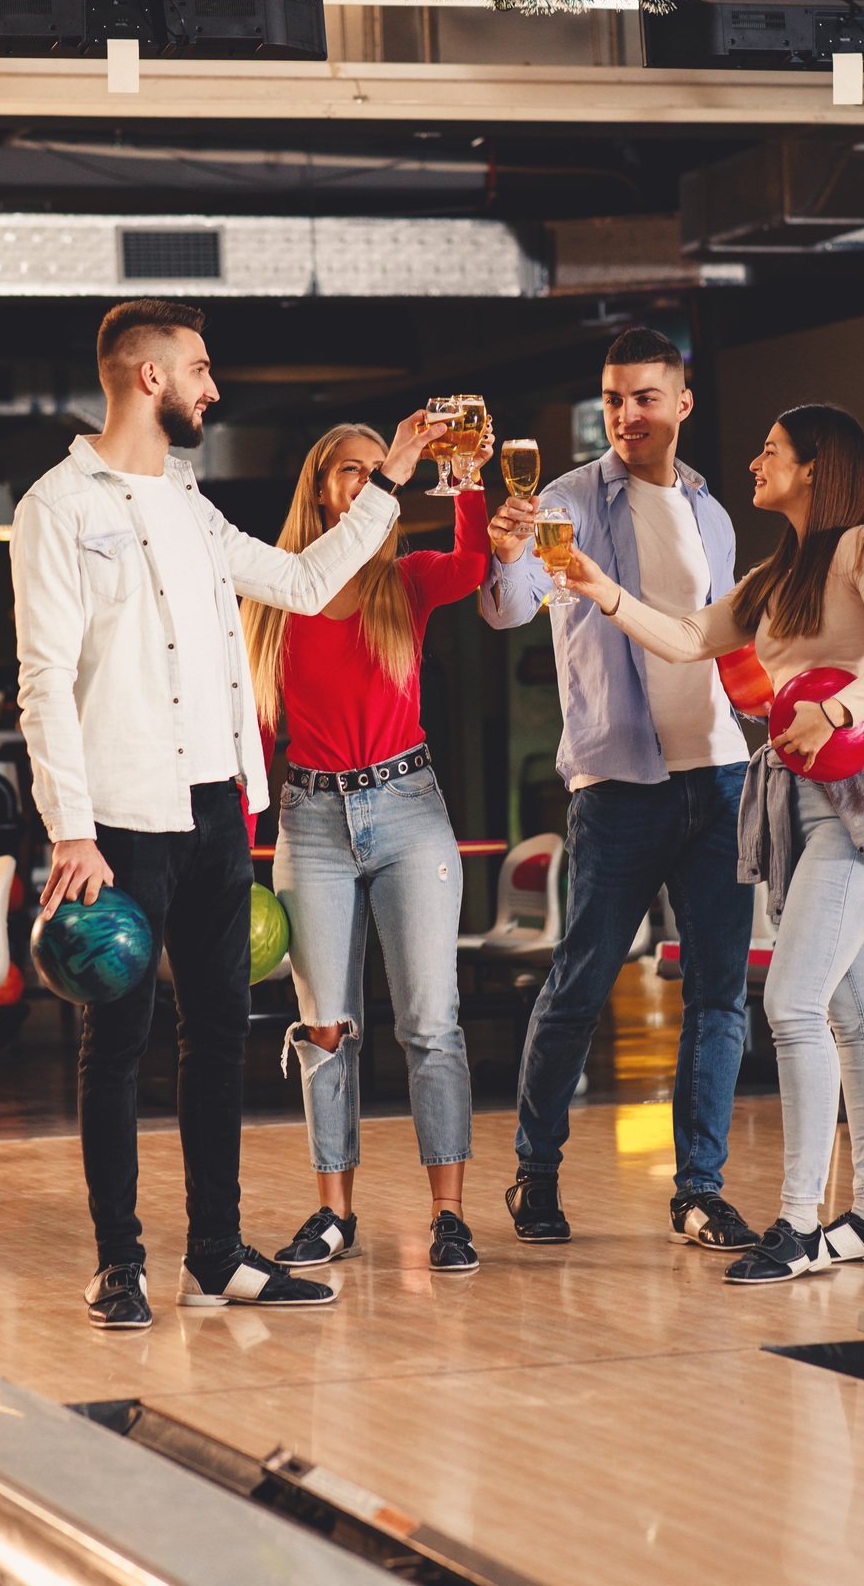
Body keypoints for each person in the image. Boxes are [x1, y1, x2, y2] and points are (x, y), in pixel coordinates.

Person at [12, 299, 441, 1328]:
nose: (214, 387)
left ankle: (215, 1251)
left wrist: (387, 487)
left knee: (218, 1032)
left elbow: (299, 582)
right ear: (149, 377)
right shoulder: (57, 506)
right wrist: (70, 826)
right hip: (115, 816)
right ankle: (120, 1261)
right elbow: (42, 676)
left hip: (216, 806)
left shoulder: (194, 506)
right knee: (116, 1042)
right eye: (199, 368)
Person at [564, 403, 864, 1284]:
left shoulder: (862, 553)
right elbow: (691, 636)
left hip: (855, 804)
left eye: (770, 452)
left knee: (793, 1006)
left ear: (815, 467)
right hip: (795, 807)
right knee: (849, 1015)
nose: (753, 464)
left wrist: (840, 704)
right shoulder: (777, 574)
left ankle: (801, 1224)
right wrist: (598, 589)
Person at [482, 327, 760, 1254]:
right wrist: (505, 552)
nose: (625, 415)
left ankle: (698, 1191)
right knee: (581, 983)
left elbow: (721, 637)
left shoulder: (712, 512)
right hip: (620, 783)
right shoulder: (562, 501)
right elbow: (511, 608)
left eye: (644, 397)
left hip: (719, 776)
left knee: (719, 994)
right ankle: (535, 1173)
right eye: (611, 398)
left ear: (681, 405)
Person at [242, 425, 491, 1274]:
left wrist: (463, 477)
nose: (369, 481)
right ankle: (332, 1215)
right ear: (321, 488)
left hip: (408, 808)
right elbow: (258, 731)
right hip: (308, 819)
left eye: (378, 470)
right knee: (325, 1028)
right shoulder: (277, 596)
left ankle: (448, 1214)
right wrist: (240, 855)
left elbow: (471, 564)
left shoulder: (402, 582)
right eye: (353, 470)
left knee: (431, 1022)